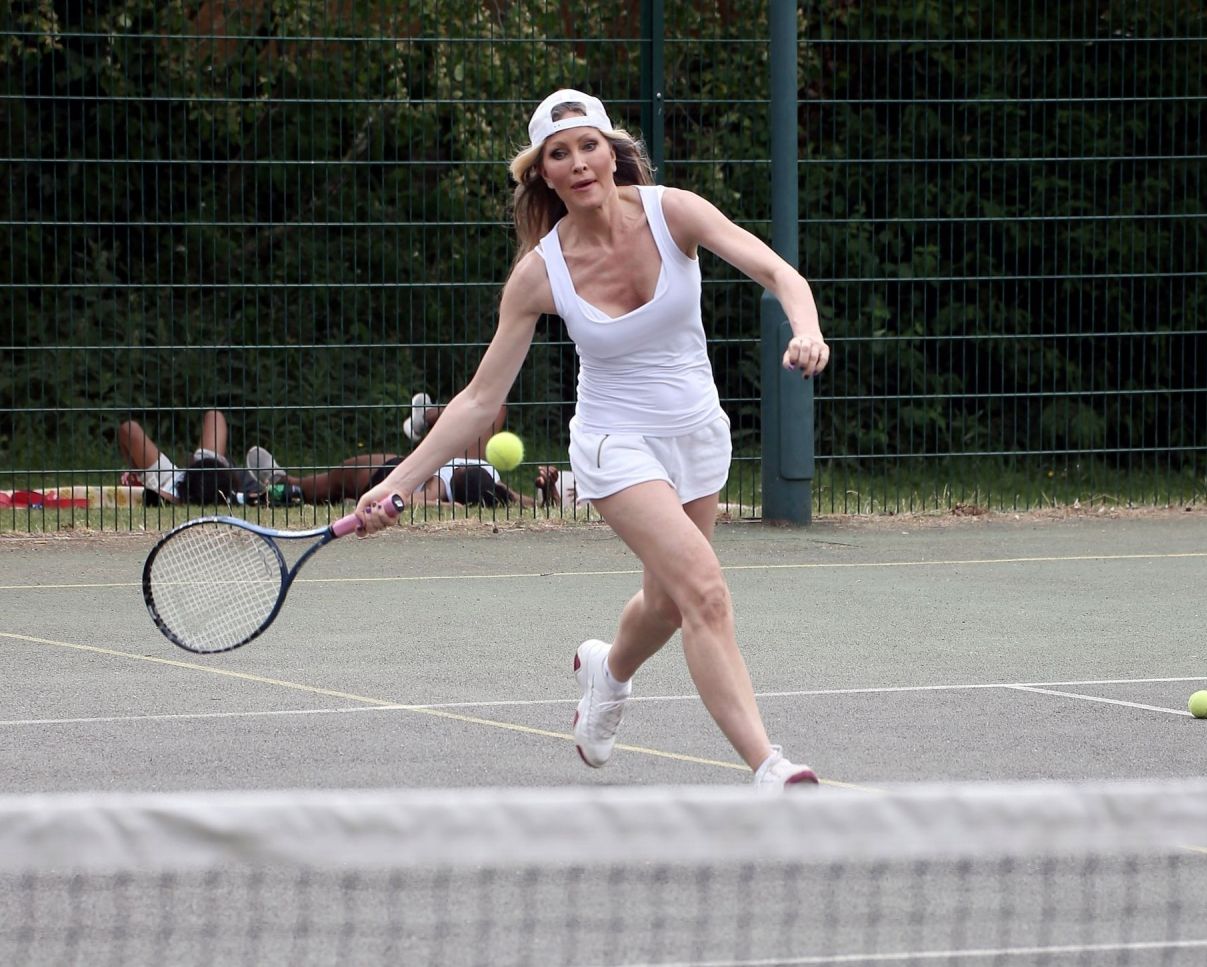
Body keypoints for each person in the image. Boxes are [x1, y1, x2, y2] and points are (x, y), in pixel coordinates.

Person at [355, 89, 830, 790]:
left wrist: (807, 328)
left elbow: (777, 273)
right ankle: (770, 766)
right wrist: (396, 483)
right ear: (542, 175)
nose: (577, 162)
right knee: (705, 592)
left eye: (587, 145)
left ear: (613, 153)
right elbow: (481, 399)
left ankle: (607, 673)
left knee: (666, 604)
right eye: (558, 153)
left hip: (698, 434)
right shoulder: (538, 274)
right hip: (614, 444)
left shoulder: (675, 213)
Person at [245, 398, 551, 509]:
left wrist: (436, 497)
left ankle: (286, 484)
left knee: (342, 474)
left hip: (401, 473)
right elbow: (521, 501)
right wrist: (546, 493)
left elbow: (408, 501)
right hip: (448, 464)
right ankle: (428, 419)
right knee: (493, 404)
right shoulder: (488, 479)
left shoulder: (437, 492)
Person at [117, 409, 265, 506]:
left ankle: (137, 475)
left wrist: (139, 475)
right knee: (214, 415)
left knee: (129, 429)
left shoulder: (172, 496)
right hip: (211, 472)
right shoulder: (224, 485)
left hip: (168, 482)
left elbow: (157, 495)